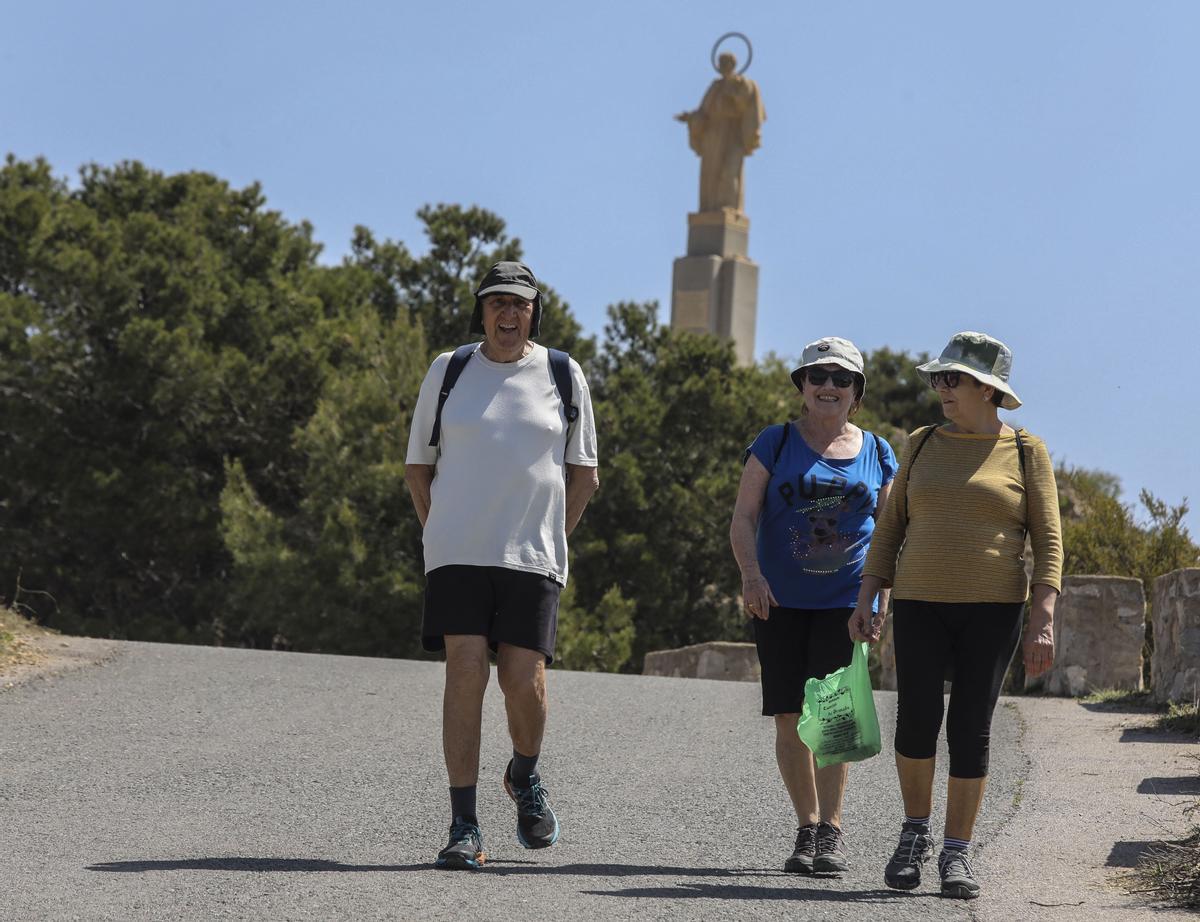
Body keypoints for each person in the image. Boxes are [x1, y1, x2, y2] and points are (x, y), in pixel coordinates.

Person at [849, 331, 1061, 900]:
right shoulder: (921, 443)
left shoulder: (1026, 451)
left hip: (994, 609)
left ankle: (957, 851)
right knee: (916, 719)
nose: (941, 388)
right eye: (938, 378)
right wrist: (868, 595)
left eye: (952, 379)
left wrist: (1043, 618)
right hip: (919, 602)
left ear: (987, 389)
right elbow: (890, 528)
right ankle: (914, 833)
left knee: (970, 727)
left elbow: (1048, 540)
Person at [404, 261, 599, 870]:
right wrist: (439, 533)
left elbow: (584, 475)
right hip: (457, 554)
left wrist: (551, 541)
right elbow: (417, 467)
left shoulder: (563, 373)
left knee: (522, 679)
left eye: (519, 305)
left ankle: (524, 774)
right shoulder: (449, 369)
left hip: (532, 557)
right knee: (465, 671)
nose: (508, 315)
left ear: (533, 314)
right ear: (481, 311)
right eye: (497, 304)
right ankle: (463, 825)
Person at [730, 337, 897, 875]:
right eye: (818, 376)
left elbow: (889, 535)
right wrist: (751, 576)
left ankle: (832, 830)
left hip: (845, 604)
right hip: (778, 600)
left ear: (856, 392)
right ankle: (806, 826)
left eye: (841, 379)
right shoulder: (775, 442)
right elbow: (743, 517)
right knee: (788, 715)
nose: (829, 386)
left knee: (833, 718)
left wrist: (880, 601)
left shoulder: (877, 452)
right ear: (802, 386)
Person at [675, 51, 766, 213]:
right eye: (721, 64)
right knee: (711, 172)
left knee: (729, 170)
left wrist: (733, 94)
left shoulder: (742, 84)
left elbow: (747, 104)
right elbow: (704, 112)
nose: (723, 67)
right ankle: (709, 208)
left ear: (733, 65)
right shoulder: (715, 87)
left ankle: (730, 205)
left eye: (726, 64)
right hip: (714, 133)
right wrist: (690, 118)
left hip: (733, 132)